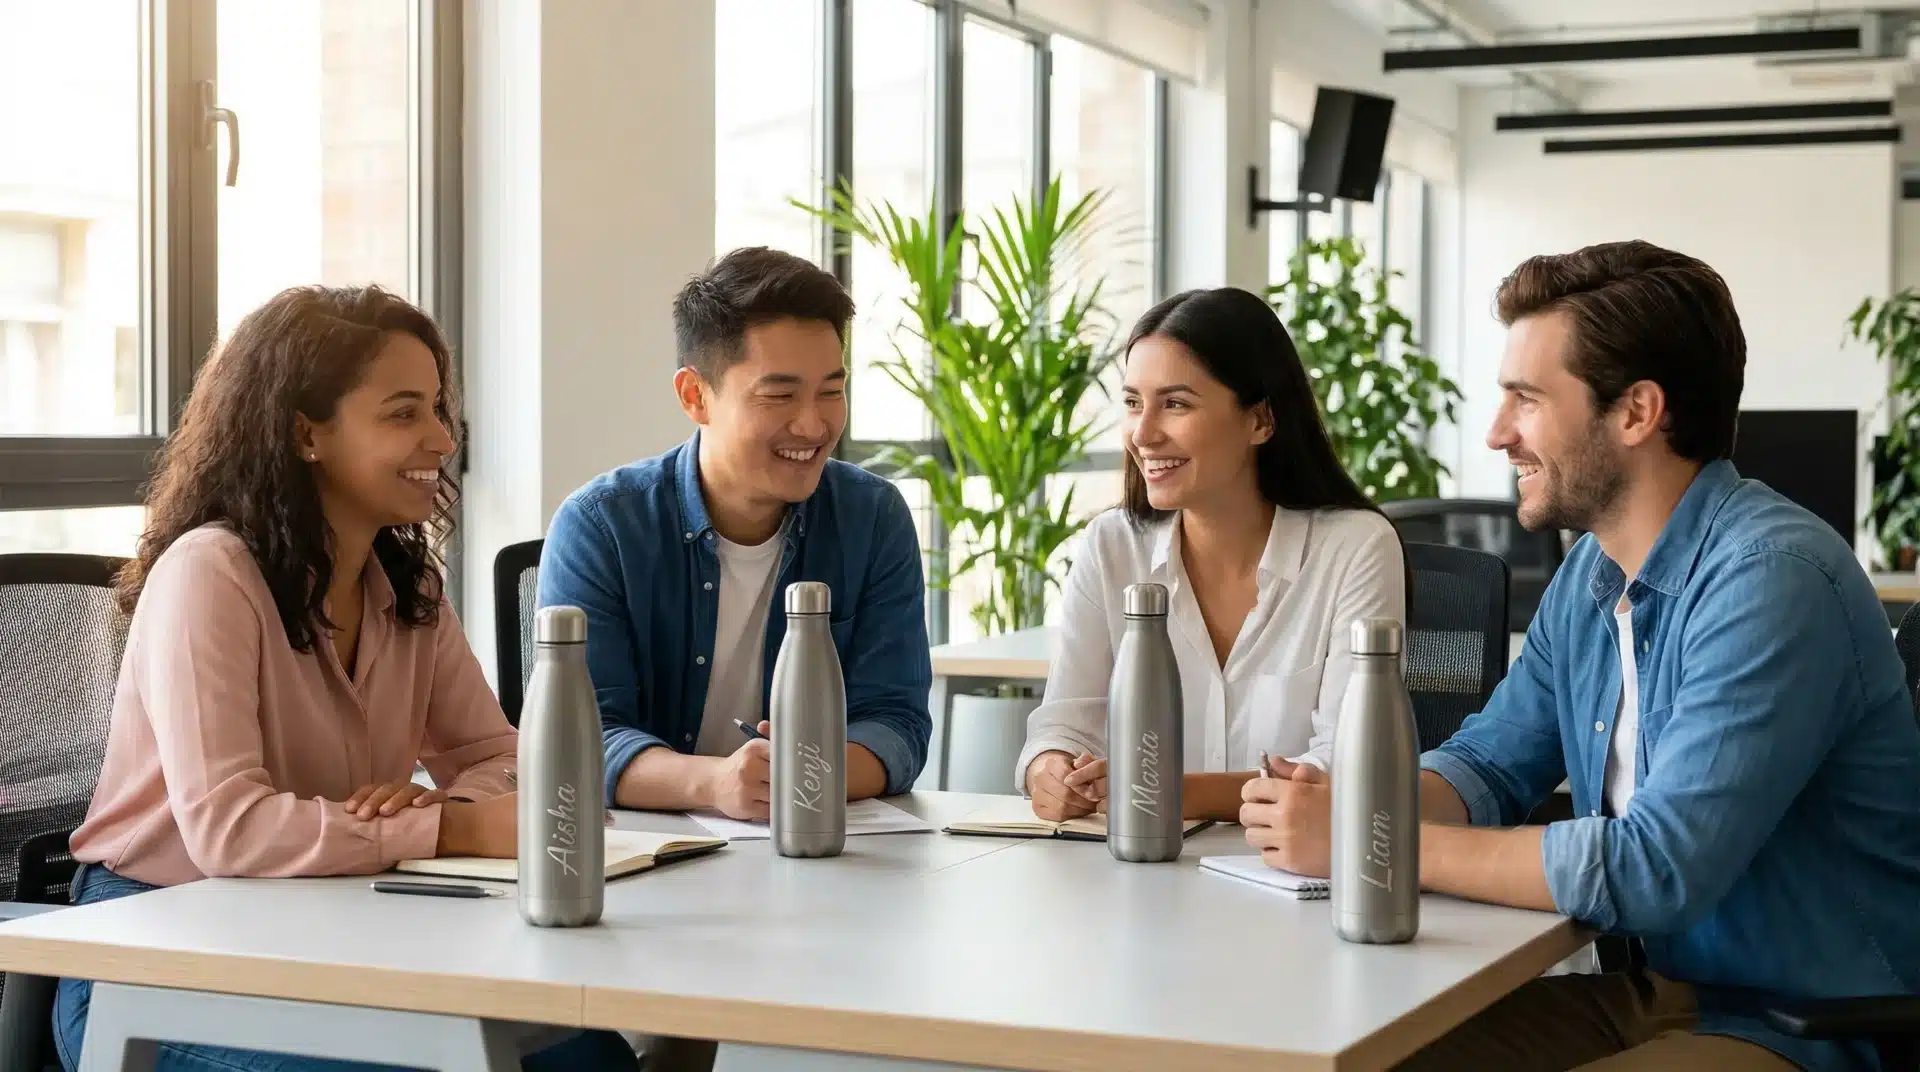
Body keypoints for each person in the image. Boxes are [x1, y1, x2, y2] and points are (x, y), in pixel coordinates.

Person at [1241, 241, 1920, 1071]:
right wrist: (1361, 799)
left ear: (1635, 412)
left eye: (1525, 400)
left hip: (1806, 1026)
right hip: (1663, 991)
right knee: (1351, 1051)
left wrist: (1371, 838)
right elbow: (1488, 767)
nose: (1496, 433)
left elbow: (1656, 869)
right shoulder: (1593, 576)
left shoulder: (1771, 581)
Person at [56, 286, 639, 1072]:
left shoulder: (409, 588)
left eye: (438, 408)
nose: (440, 437)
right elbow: (229, 829)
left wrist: (450, 801)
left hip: (326, 926)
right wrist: (451, 829)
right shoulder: (210, 573)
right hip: (152, 950)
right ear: (306, 434)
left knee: (581, 1052)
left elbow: (500, 757)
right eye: (403, 414)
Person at [538, 246, 931, 820]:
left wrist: (805, 775)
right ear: (695, 396)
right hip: (644, 859)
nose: (814, 424)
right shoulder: (600, 526)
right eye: (780, 395)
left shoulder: (872, 519)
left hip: (819, 853)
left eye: (831, 390)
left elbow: (896, 722)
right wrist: (715, 784)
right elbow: (581, 739)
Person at [1017, 287, 1405, 823]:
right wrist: (1052, 769)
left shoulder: (1355, 546)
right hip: (1134, 875)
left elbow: (1344, 763)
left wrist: (1166, 791)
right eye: (1133, 403)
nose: (1144, 434)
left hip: (1291, 877)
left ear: (1260, 420)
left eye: (1176, 404)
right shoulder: (1111, 545)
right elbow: (1064, 723)